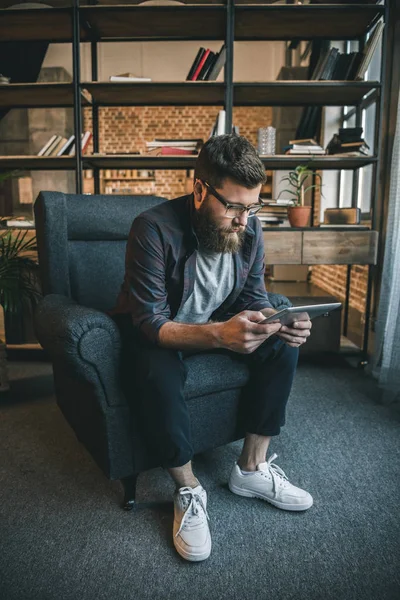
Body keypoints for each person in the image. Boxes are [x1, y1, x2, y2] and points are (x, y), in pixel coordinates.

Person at [111, 134, 313, 563]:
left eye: (251, 207)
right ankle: (187, 488)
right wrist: (221, 334)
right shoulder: (152, 228)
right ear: (200, 190)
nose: (244, 220)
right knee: (154, 370)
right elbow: (149, 321)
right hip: (162, 333)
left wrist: (277, 323)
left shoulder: (250, 228)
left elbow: (253, 295)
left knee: (281, 341)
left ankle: (251, 469)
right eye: (234, 207)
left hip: (217, 326)